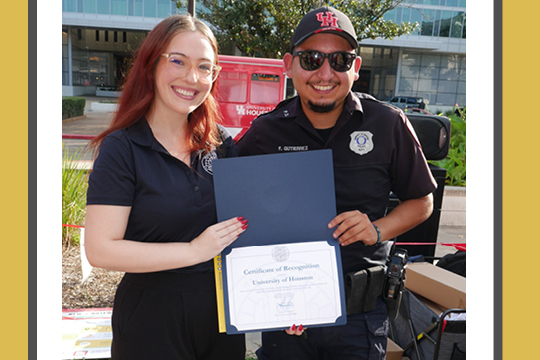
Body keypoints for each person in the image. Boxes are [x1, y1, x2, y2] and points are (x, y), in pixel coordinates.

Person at [235, 6, 437, 360]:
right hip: (286, 308)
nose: (325, 72)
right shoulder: (265, 132)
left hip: (359, 315)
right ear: (289, 64)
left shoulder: (387, 124)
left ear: (355, 68)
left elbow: (422, 201)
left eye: (340, 60)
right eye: (311, 59)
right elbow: (228, 200)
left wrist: (377, 229)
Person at [84, 15, 248, 360]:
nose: (192, 78)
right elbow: (100, 250)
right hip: (150, 319)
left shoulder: (221, 145)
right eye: (178, 61)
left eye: (205, 67)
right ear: (150, 64)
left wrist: (287, 299)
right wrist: (194, 250)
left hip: (222, 315)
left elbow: (250, 231)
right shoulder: (122, 148)